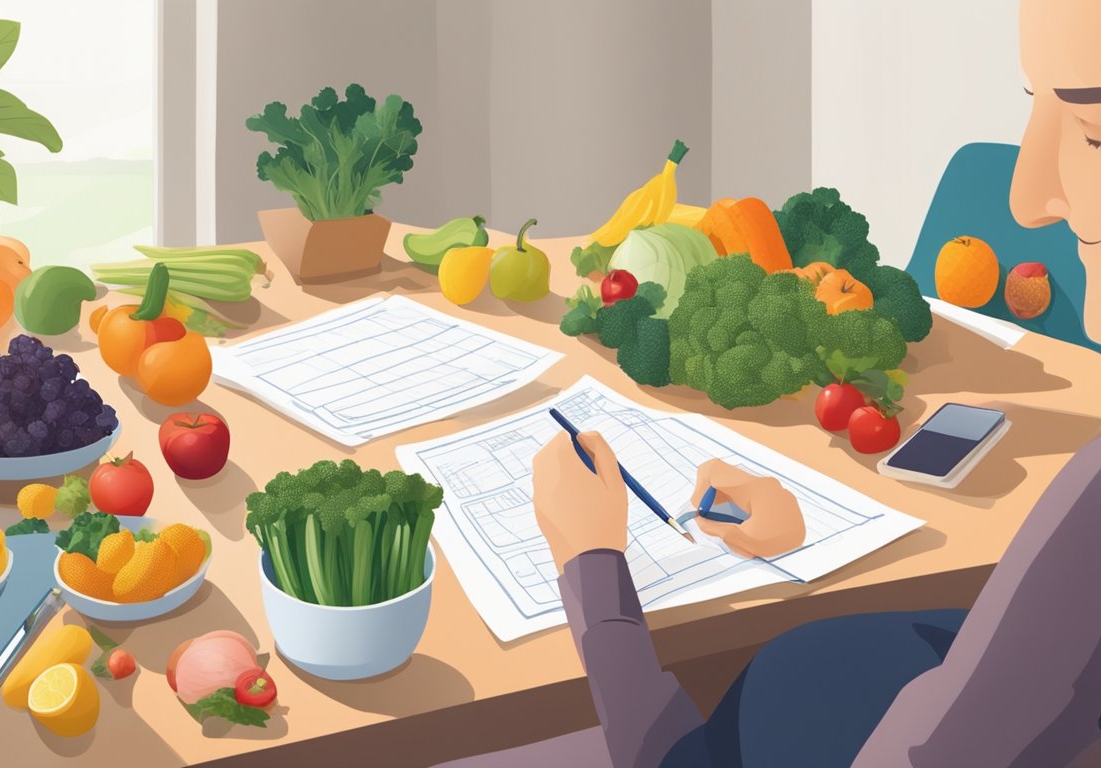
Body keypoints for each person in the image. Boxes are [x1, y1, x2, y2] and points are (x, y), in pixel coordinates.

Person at [437, 0, 1101, 764]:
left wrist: (592, 572)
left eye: (1091, 130)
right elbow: (1009, 661)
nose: (1025, 198)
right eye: (1033, 106)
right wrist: (808, 538)